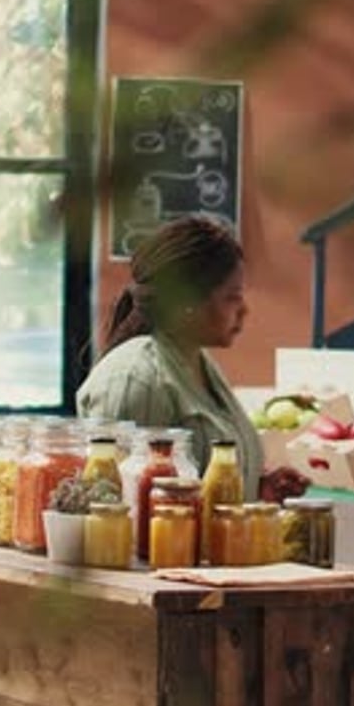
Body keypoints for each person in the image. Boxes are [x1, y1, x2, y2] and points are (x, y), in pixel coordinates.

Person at [76, 214, 264, 500]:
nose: (244, 310)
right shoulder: (137, 378)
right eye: (232, 297)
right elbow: (117, 508)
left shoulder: (199, 363)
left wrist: (257, 486)